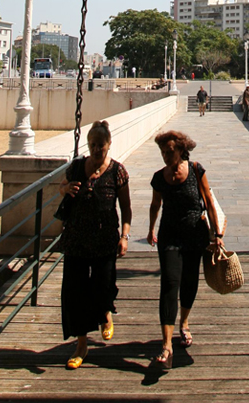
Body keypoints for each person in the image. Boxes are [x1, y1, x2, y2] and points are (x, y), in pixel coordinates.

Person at [57, 120, 132, 369]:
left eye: (100, 145)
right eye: (92, 145)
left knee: (103, 286)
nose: (96, 149)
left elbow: (126, 208)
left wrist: (125, 236)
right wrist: (66, 188)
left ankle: (105, 313)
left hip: (105, 239)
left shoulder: (117, 172)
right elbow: (61, 188)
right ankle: (81, 344)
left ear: (109, 145)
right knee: (75, 292)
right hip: (76, 238)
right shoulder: (77, 167)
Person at [146, 129, 223, 369]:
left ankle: (184, 323)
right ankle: (166, 345)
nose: (166, 156)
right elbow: (155, 204)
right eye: (162, 152)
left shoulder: (197, 170)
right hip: (169, 235)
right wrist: (150, 230)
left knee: (189, 282)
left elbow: (209, 202)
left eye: (170, 152)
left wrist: (217, 233)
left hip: (194, 236)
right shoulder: (159, 177)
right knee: (169, 283)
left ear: (181, 150)